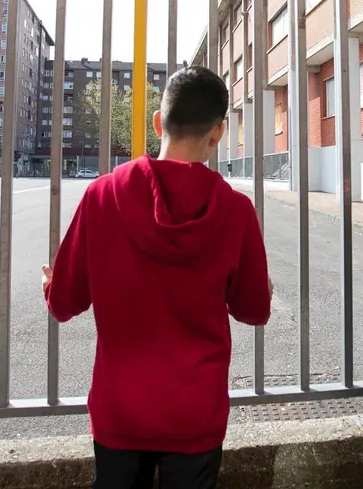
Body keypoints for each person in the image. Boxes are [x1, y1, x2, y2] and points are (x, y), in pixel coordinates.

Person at [43, 65, 272, 489]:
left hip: (121, 410)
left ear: (157, 121)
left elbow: (64, 303)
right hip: (195, 412)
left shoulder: (102, 196)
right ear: (218, 132)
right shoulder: (236, 211)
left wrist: (50, 285)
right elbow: (253, 309)